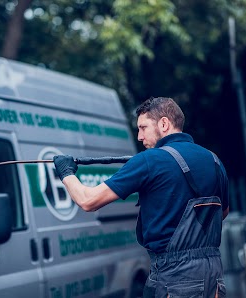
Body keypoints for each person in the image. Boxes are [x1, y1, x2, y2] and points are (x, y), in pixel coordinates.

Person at [53, 96, 229, 298]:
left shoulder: (150, 160)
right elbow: (222, 212)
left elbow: (87, 200)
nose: (139, 136)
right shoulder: (214, 161)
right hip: (215, 277)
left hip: (174, 277)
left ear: (164, 123)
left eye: (143, 128)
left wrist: (66, 173)